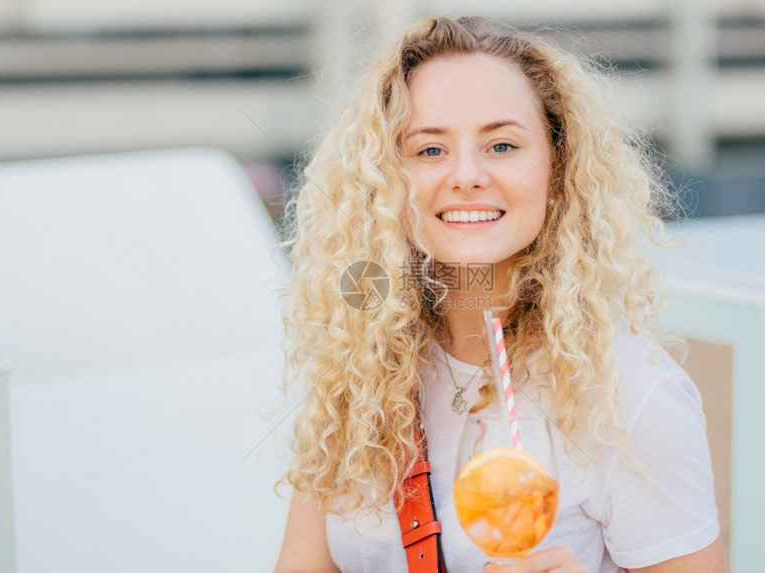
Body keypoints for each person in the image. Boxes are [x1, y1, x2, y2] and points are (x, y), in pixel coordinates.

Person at [274, 16, 724, 573]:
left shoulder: (626, 395)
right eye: (430, 150)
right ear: (384, 180)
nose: (466, 175)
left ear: (559, 169)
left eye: (503, 145)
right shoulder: (357, 366)